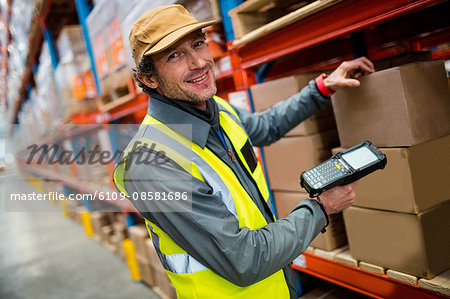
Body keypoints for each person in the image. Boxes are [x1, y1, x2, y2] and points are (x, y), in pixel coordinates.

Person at [113, 4, 375, 298]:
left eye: (198, 44)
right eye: (174, 55)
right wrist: (321, 208)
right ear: (149, 79)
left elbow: (266, 126)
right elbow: (244, 259)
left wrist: (322, 88)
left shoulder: (218, 110)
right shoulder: (151, 165)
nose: (198, 62)